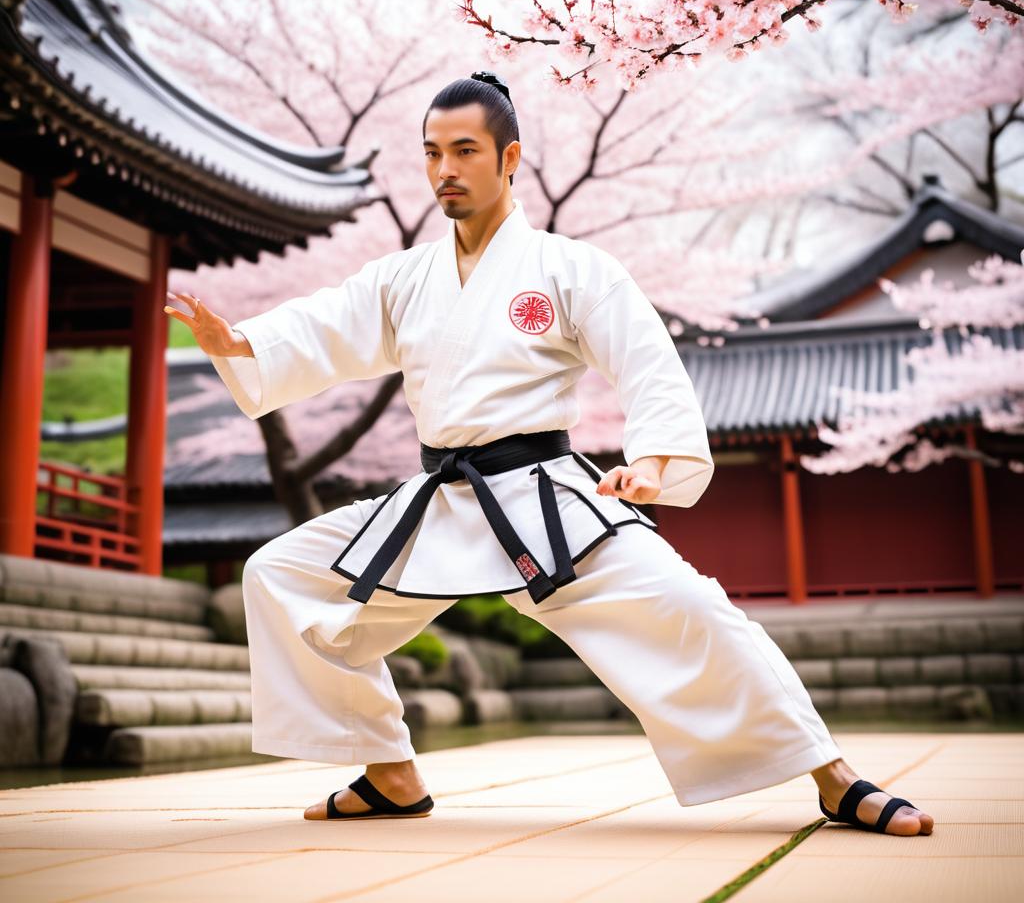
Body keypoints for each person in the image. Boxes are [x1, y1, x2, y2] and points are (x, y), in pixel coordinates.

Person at [165, 71, 934, 836]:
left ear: (510, 159)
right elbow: (327, 324)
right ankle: (388, 772)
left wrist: (656, 461)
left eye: (464, 150)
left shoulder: (572, 269)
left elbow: (647, 363)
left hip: (544, 501)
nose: (444, 171)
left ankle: (832, 776)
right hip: (440, 500)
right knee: (279, 576)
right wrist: (244, 344)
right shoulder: (404, 277)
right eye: (431, 153)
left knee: (695, 606)